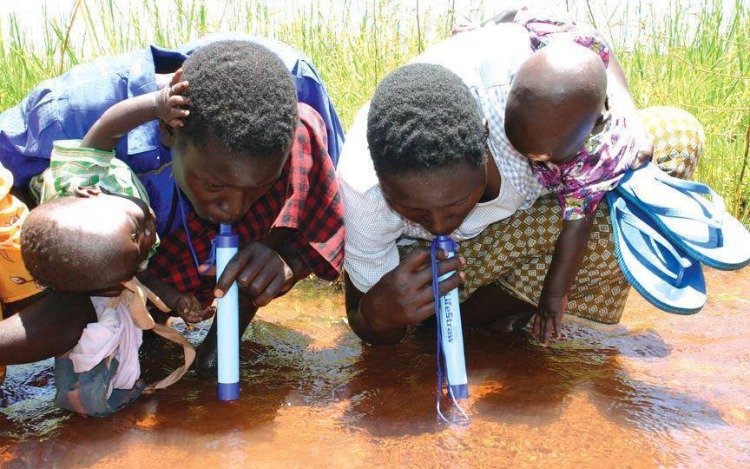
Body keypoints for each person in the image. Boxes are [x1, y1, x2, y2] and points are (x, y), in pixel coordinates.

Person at [337, 8, 704, 346]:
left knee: (675, 139)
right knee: (400, 315)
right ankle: (439, 322)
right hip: (429, 268)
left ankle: (493, 312)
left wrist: (624, 107)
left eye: (453, 206)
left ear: (485, 139)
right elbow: (362, 319)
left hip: (520, 225)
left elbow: (590, 45)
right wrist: (380, 313)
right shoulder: (362, 187)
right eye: (412, 210)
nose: (437, 226)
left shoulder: (526, 97)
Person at [0, 36, 345, 372]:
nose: (235, 210)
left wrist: (290, 260)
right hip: (96, 243)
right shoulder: (68, 112)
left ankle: (216, 344)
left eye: (257, 190)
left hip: (161, 245)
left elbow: (330, 201)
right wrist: (63, 262)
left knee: (301, 137)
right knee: (88, 297)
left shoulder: (298, 90)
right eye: (215, 185)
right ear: (168, 129)